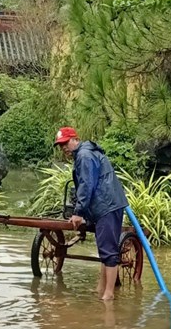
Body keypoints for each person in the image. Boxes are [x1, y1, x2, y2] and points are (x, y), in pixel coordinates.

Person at [54, 126, 129, 301]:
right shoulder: (84, 153)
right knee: (104, 248)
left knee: (108, 251)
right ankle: (101, 288)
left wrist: (78, 212)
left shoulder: (85, 155)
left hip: (107, 205)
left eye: (65, 143)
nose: (63, 147)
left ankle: (108, 296)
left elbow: (87, 185)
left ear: (74, 139)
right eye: (60, 145)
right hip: (104, 205)